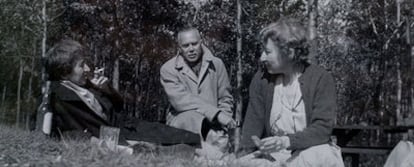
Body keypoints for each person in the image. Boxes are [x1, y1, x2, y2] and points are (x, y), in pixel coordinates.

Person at [40, 39, 200, 147]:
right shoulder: (57, 96)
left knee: (182, 136)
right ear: (64, 72)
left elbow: (118, 106)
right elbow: (46, 129)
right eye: (82, 65)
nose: (88, 69)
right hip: (116, 137)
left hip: (129, 125)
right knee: (178, 145)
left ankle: (206, 145)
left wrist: (106, 89)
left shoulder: (86, 84)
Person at [238, 18, 344, 166]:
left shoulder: (321, 79)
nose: (262, 57)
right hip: (274, 157)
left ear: (289, 52)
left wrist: (285, 141)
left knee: (319, 156)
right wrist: (243, 156)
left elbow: (322, 129)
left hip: (312, 151)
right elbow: (252, 126)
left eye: (268, 52)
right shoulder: (262, 79)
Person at [160, 27, 235, 139]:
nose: (191, 49)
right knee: (190, 116)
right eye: (186, 46)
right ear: (179, 48)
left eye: (194, 44)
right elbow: (181, 101)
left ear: (201, 42)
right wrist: (217, 114)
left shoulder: (217, 64)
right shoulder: (168, 69)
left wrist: (224, 121)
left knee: (218, 152)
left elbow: (225, 98)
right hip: (182, 128)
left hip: (213, 128)